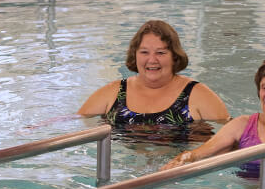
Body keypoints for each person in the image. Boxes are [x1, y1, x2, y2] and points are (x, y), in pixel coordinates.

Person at [79, 19, 229, 127]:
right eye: (144, 52)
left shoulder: (197, 95)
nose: (152, 60)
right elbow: (73, 122)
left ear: (174, 57)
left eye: (161, 53)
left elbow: (233, 134)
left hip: (181, 167)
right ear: (135, 55)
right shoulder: (115, 92)